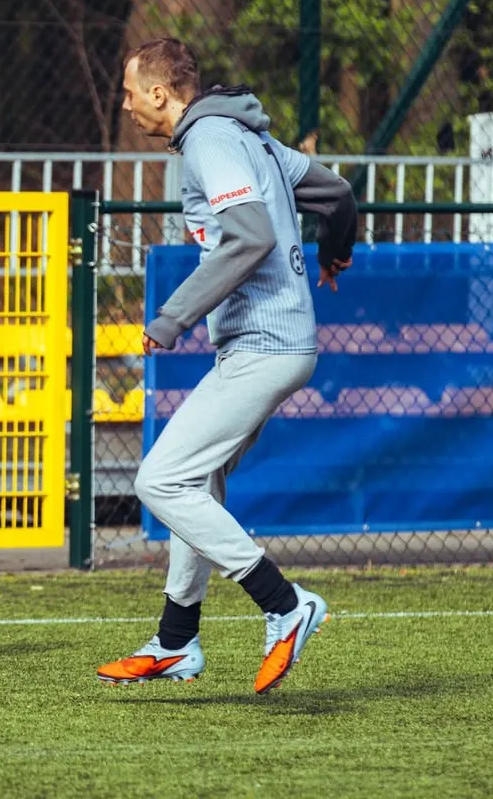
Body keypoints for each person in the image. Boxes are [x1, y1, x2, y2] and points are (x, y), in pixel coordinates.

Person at [96, 38, 358, 694]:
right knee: (198, 480)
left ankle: (284, 604)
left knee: (160, 480)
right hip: (274, 344)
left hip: (264, 346)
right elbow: (335, 192)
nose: (125, 105)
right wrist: (335, 252)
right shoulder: (245, 137)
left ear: (160, 94)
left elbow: (250, 235)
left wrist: (171, 317)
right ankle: (175, 641)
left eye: (129, 93)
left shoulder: (210, 138)